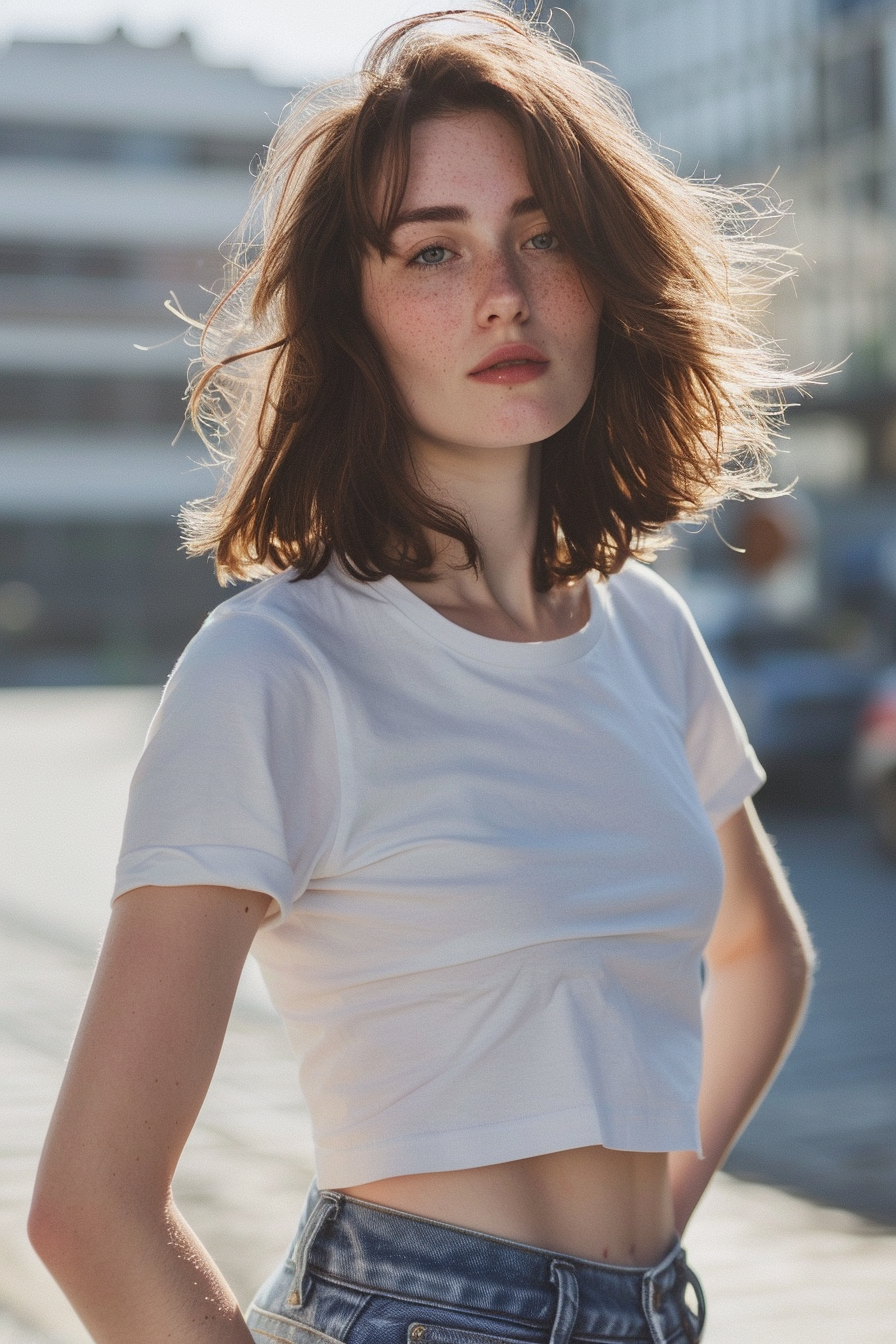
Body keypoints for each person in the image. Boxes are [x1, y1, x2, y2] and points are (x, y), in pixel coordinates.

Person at [29, 9, 814, 1344]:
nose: (502, 290)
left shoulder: (647, 633)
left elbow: (763, 956)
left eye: (541, 232)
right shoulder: (282, 665)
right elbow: (90, 1206)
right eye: (432, 251)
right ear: (360, 312)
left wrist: (632, 1251)